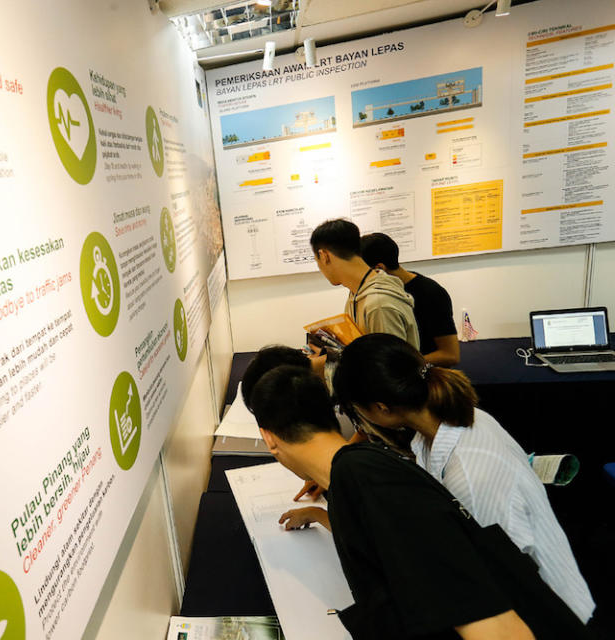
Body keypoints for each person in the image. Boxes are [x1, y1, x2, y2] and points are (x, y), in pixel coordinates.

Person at [248, 364, 592, 639]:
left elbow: (500, 630)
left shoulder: (370, 482)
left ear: (269, 438)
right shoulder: (356, 471)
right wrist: (325, 518)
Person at [331, 333, 595, 624]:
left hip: (546, 615)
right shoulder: (452, 423)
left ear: (381, 408)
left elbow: (498, 578)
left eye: (356, 411)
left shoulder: (469, 477)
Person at [308, 219, 418, 379]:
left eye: (316, 260)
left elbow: (390, 372)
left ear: (324, 255)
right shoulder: (357, 292)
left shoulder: (378, 303)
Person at [361, 232, 459, 366]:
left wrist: (400, 364)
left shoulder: (431, 293)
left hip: (423, 377)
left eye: (361, 271)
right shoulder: (373, 292)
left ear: (379, 268)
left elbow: (450, 355)